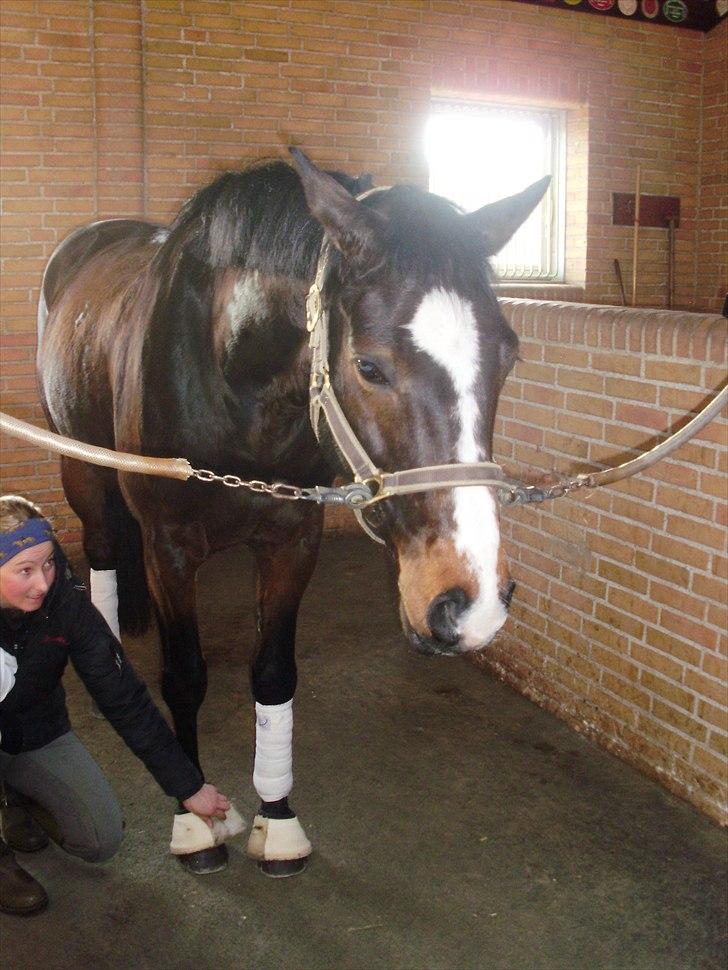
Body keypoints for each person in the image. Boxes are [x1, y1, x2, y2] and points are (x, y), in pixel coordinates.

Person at [0, 495, 230, 916]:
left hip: (33, 730)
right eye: (25, 571)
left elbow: (123, 697)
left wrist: (188, 785)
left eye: (49, 563)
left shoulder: (64, 603)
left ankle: (16, 796)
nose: (43, 583)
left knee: (99, 837)